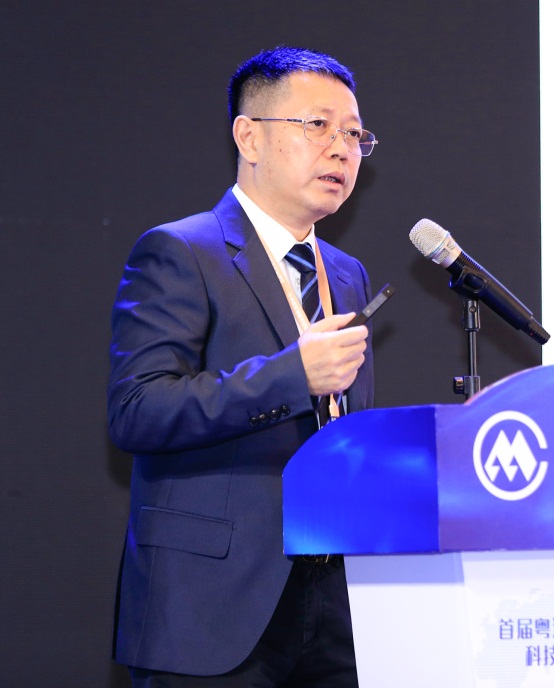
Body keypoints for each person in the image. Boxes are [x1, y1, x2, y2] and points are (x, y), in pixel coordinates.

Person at [107, 46, 377, 687]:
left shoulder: (346, 274)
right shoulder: (181, 251)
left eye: (354, 135)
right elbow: (138, 411)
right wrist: (292, 375)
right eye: (318, 126)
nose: (341, 149)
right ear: (249, 136)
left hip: (335, 605)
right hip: (212, 605)